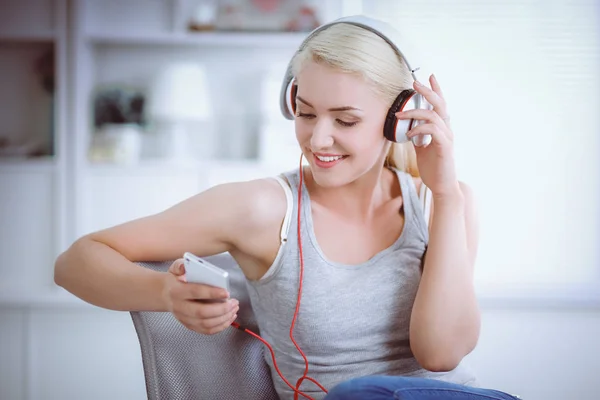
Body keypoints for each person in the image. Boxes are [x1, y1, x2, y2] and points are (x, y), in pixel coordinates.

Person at [54, 15, 521, 400]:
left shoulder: (442, 203)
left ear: (399, 120)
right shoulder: (264, 209)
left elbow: (441, 355)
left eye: (346, 120)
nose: (319, 139)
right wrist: (163, 295)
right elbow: (75, 260)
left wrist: (447, 195)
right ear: (290, 102)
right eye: (307, 113)